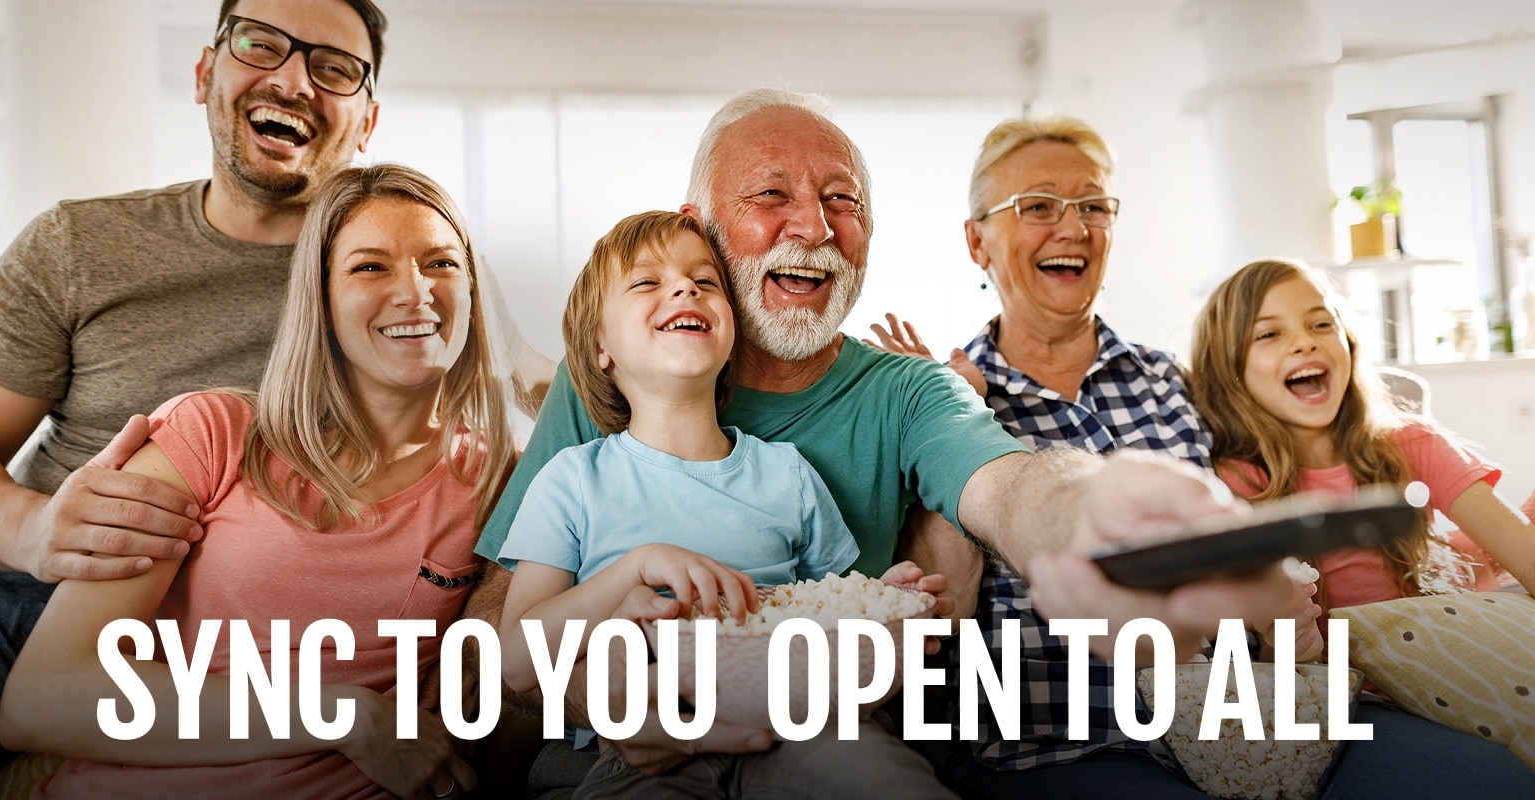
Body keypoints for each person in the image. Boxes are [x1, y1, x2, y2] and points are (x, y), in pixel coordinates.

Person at [474, 89, 1304, 791]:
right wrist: (601, 696)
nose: (817, 226)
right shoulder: (612, 388)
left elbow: (1012, 486)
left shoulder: (907, 393)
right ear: (702, 227)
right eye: (771, 196)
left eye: (844, 200)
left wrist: (1099, 511)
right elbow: (503, 630)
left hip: (807, 736)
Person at [0, 1, 548, 792]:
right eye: (261, 45)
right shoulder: (76, 247)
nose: (293, 80)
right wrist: (34, 532)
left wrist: (495, 588)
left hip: (222, 608)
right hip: (7, 583)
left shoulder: (414, 271)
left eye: (334, 68)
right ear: (204, 72)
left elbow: (557, 398)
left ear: (367, 119)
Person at [875, 117, 1534, 798]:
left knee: (1485, 781)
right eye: (1038, 206)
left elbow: (1307, 452)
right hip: (1065, 743)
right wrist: (950, 420)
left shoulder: (1181, 382)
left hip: (1257, 714)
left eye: (1094, 207)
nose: (1072, 228)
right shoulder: (945, 397)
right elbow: (941, 611)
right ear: (976, 240)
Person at [0, 163, 510, 799]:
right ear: (318, 299)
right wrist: (345, 717)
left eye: (441, 263)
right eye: (370, 267)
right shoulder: (211, 433)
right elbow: (43, 698)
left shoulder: (497, 477)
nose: (415, 291)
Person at [495, 210, 955, 798]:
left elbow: (832, 604)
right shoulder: (572, 480)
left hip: (797, 730)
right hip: (642, 746)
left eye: (704, 281)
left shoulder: (786, 474)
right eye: (646, 282)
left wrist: (885, 604)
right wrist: (636, 568)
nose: (684, 287)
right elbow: (515, 659)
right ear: (599, 346)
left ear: (731, 330)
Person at [1192, 258, 1535, 608]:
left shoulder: (1414, 442)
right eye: (1268, 334)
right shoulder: (1233, 484)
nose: (1304, 342)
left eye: (1321, 324)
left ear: (1350, 347)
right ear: (1228, 369)